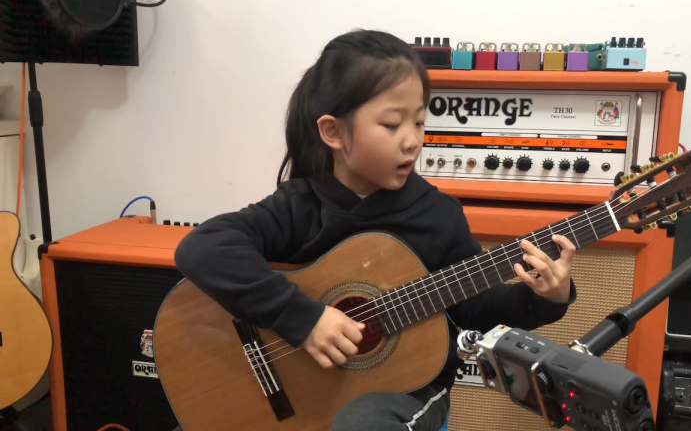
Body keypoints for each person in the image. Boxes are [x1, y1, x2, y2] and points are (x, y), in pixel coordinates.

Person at [174, 28, 577, 431]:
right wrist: (303, 318)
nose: (412, 141)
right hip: (311, 392)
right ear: (332, 131)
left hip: (409, 389)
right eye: (391, 125)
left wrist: (542, 299)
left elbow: (473, 311)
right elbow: (203, 248)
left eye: (419, 122)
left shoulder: (437, 215)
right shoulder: (299, 205)